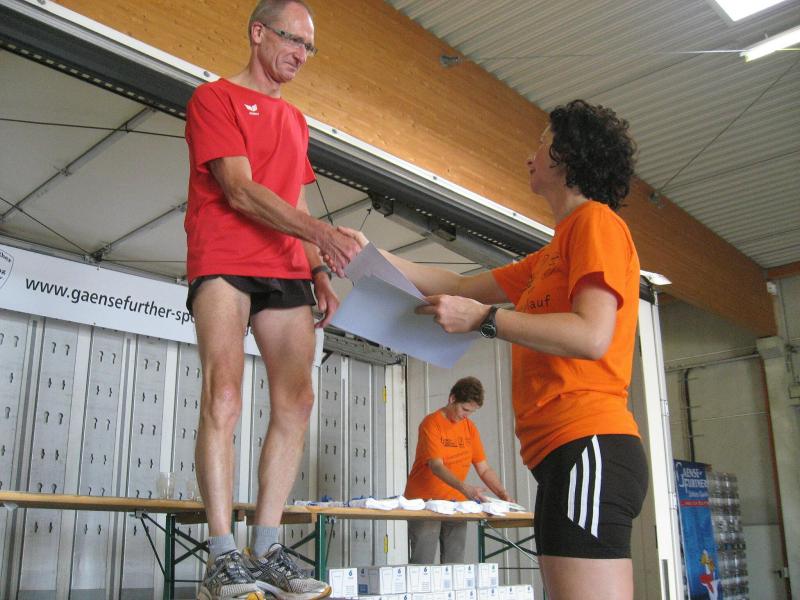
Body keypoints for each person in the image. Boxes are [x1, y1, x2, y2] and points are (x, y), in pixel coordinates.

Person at [339, 100, 648, 600]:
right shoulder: (551, 253)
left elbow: (592, 335)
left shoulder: (596, 223)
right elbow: (460, 284)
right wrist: (367, 254)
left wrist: (486, 320)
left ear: (568, 155)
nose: (531, 155)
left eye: (542, 143)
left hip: (589, 442)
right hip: (558, 455)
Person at [183, 1, 360, 599]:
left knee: (298, 399)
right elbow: (238, 190)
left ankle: (266, 547)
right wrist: (323, 236)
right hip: (225, 258)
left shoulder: (295, 119)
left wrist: (319, 270)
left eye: (309, 47)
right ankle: (222, 555)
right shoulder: (214, 98)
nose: (301, 55)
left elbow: (296, 200)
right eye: (293, 40)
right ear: (259, 33)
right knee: (224, 394)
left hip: (286, 265)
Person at [404, 376, 510, 564]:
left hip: (456, 504)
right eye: (465, 409)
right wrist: (465, 488)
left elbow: (483, 468)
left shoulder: (470, 428)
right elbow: (436, 466)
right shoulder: (431, 423)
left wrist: (502, 493)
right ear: (452, 399)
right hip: (425, 502)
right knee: (423, 563)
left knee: (455, 564)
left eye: (471, 412)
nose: (466, 415)